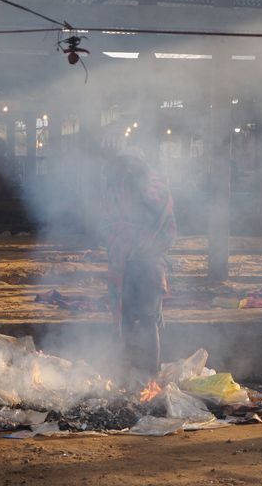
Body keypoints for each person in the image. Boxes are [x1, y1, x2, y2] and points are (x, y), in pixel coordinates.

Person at [103, 152, 176, 381]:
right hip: (138, 266)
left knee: (144, 320)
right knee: (142, 319)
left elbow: (164, 232)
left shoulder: (144, 191)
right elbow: (168, 233)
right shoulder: (155, 190)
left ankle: (148, 379)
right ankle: (136, 376)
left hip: (145, 267)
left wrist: (140, 249)